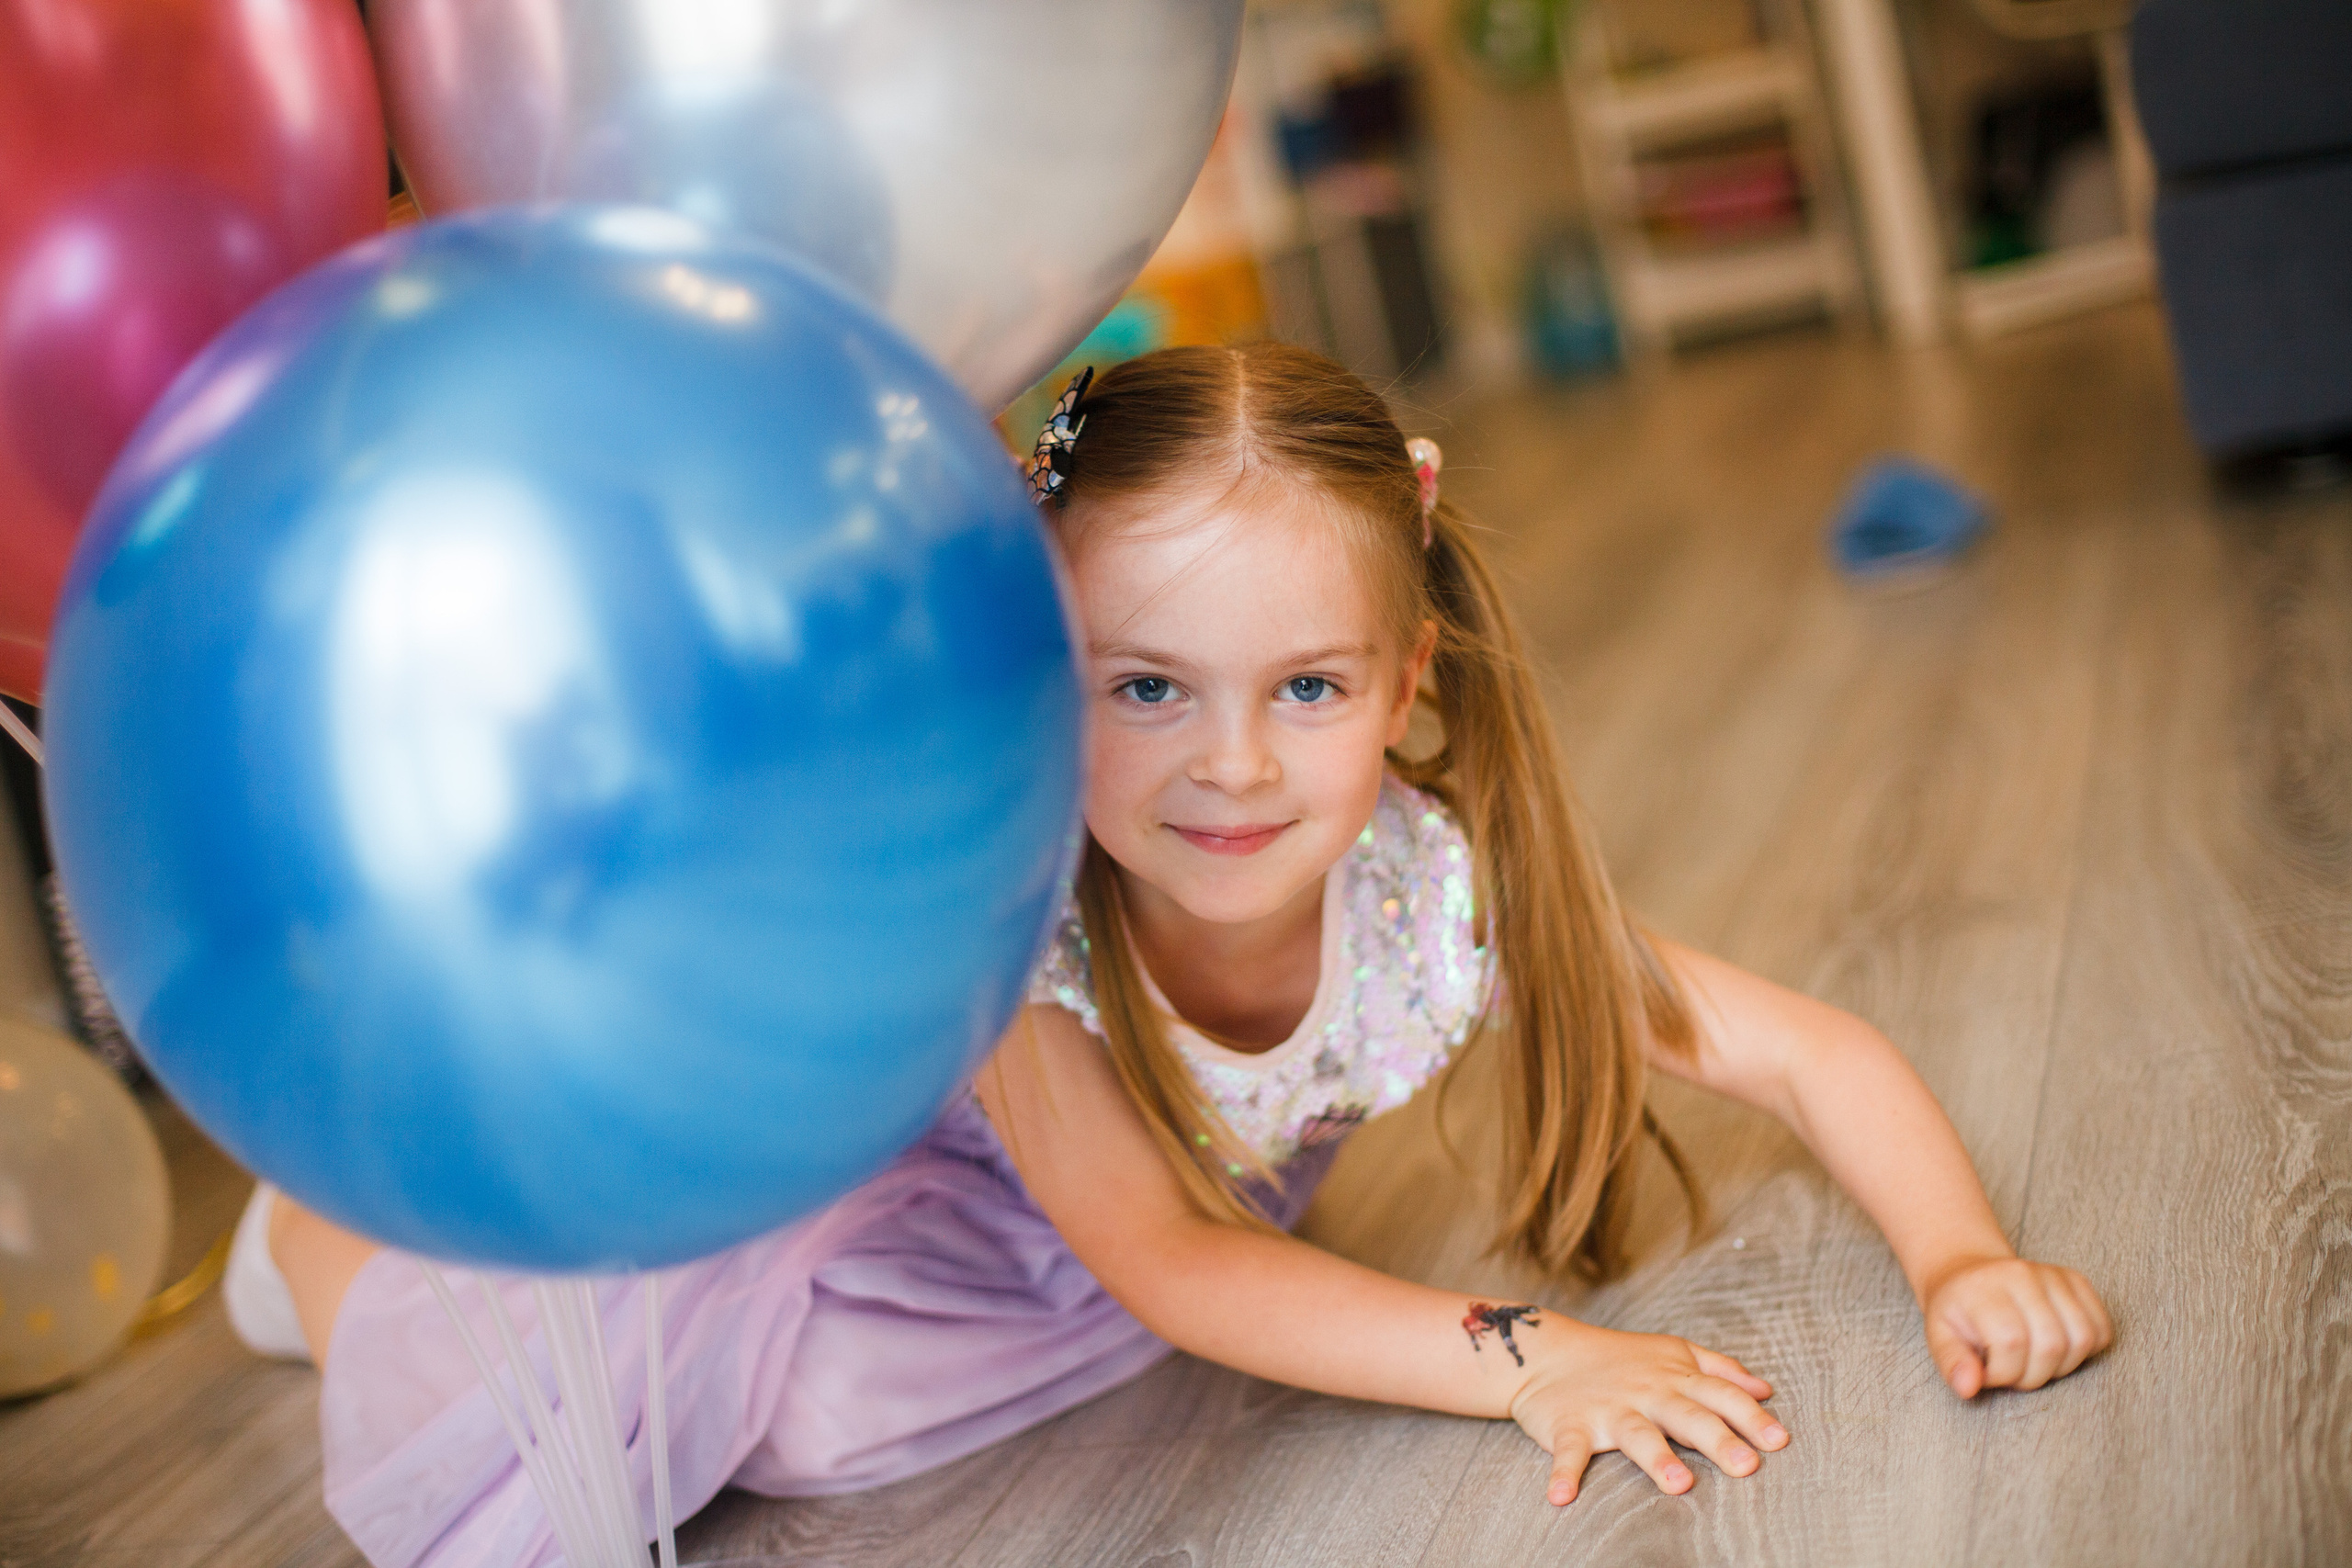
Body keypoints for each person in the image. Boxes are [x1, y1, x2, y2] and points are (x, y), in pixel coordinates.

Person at [234, 344, 2111, 1568]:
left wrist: (1956, 1251)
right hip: (916, 1215)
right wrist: (1522, 1351)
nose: (1228, 764)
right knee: (661, 1383)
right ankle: (318, 1232)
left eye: (1304, 687)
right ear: (1052, 681)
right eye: (1146, 687)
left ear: (1405, 679)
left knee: (859, 1412)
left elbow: (1799, 1053)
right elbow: (1171, 1261)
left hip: (1080, 1270)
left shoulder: (1424, 888)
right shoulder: (1014, 929)